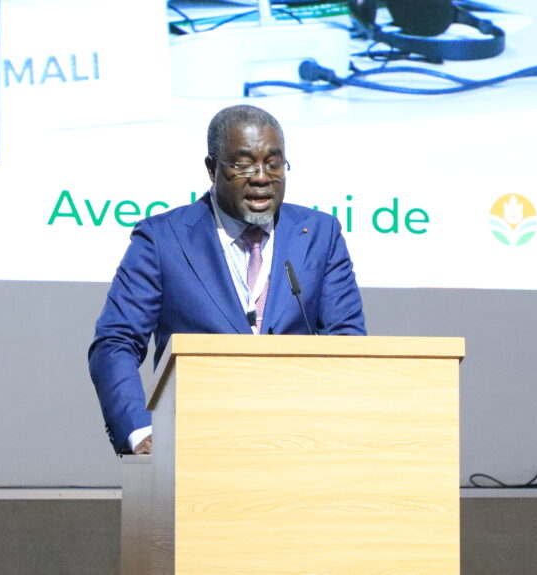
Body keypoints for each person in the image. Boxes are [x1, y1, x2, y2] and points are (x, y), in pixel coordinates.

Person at [88, 105, 366, 455]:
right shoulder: (162, 239)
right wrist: (137, 430)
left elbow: (348, 341)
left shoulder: (320, 234)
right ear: (212, 168)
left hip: (299, 444)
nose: (261, 177)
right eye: (243, 164)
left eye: (274, 163)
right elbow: (116, 342)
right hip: (195, 447)